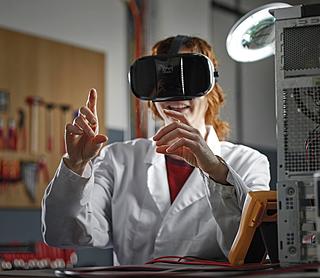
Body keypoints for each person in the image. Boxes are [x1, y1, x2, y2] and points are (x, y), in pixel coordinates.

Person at [41, 35, 270, 265]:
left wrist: (217, 171)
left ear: (211, 88)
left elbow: (253, 252)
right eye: (164, 80)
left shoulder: (249, 163)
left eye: (189, 76)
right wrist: (76, 166)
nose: (176, 94)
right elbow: (63, 233)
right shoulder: (118, 159)